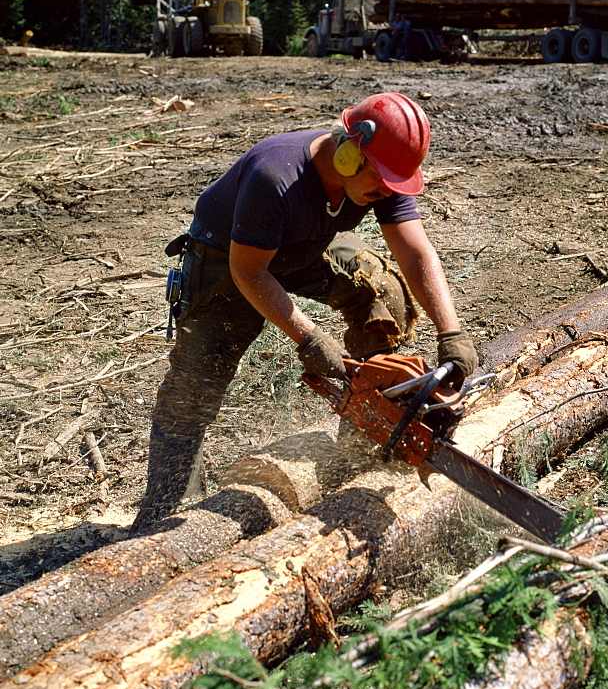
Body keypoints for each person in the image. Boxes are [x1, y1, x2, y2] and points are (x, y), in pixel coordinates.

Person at [129, 91, 478, 535]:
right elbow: (249, 272)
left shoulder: (380, 174)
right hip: (228, 261)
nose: (386, 192)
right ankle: (162, 510)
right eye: (382, 179)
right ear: (350, 152)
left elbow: (415, 252)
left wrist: (452, 332)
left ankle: (365, 442)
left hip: (304, 248)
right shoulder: (275, 175)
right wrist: (308, 336)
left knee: (381, 290)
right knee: (195, 384)